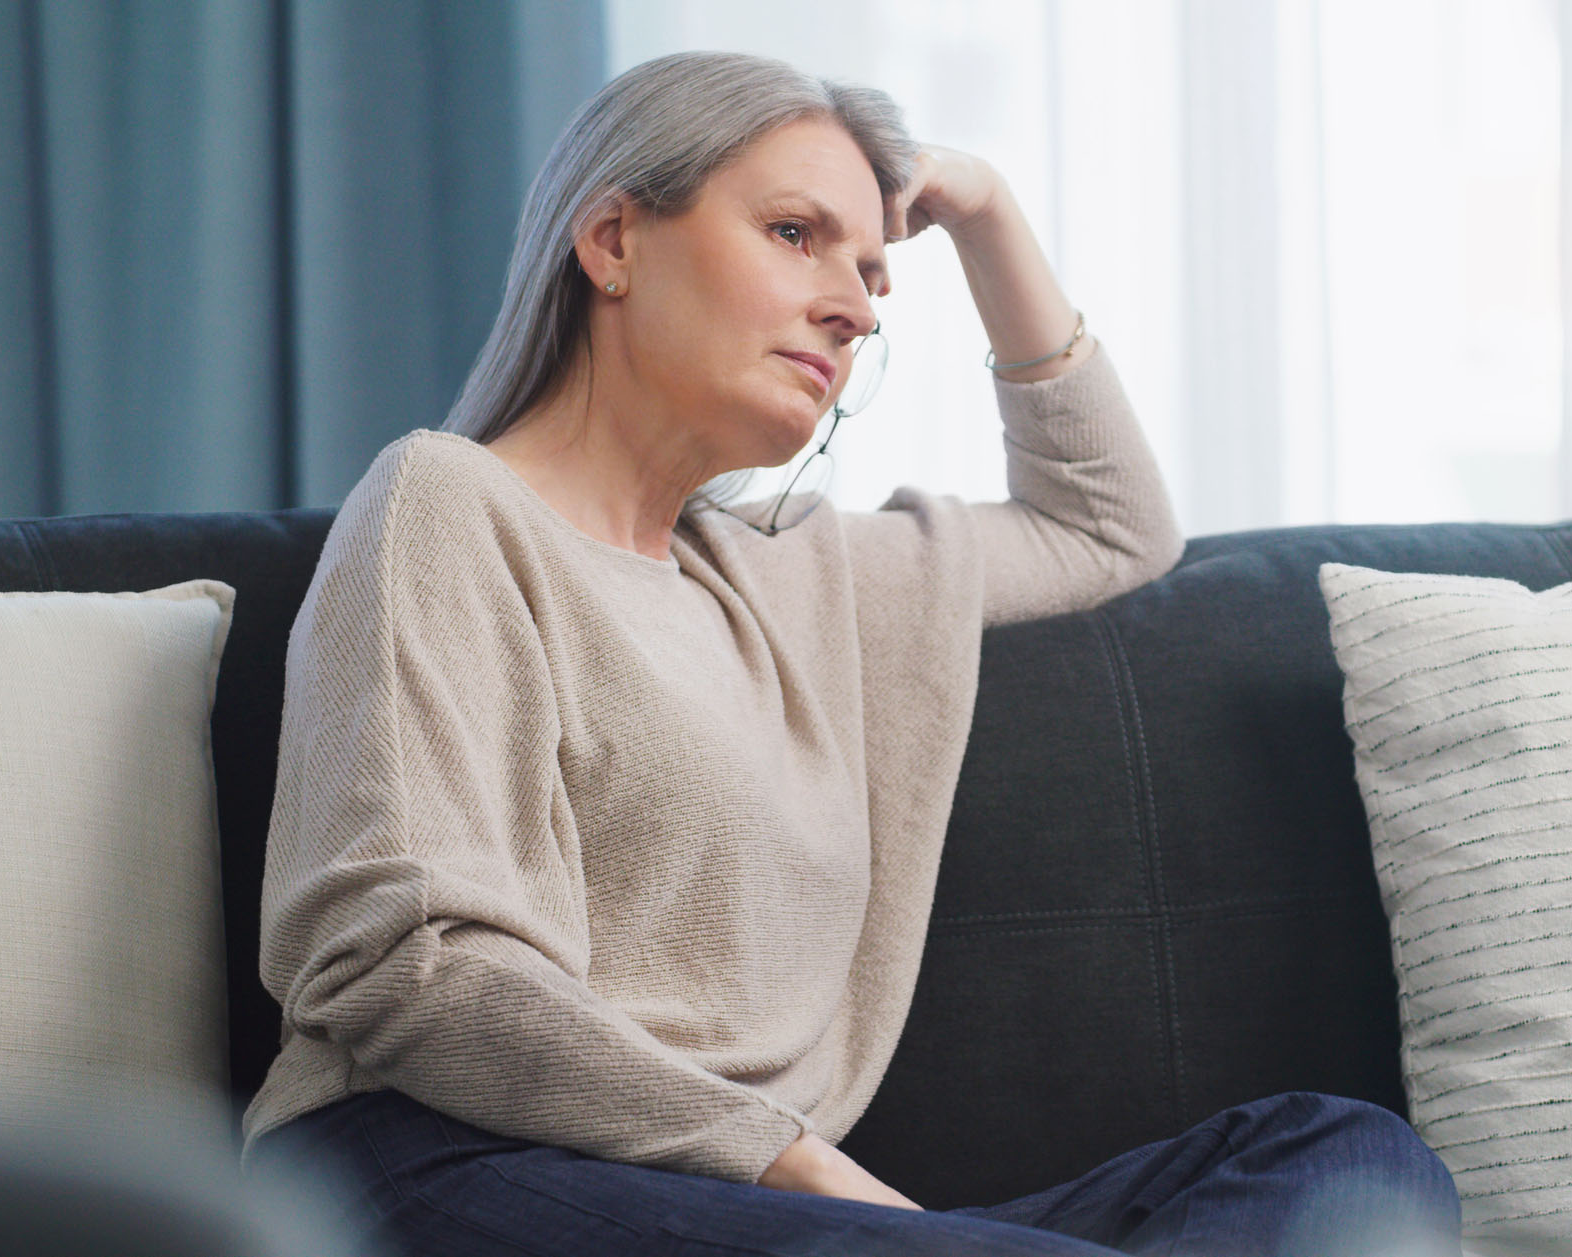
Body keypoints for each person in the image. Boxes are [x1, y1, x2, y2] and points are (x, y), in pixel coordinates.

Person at [241, 50, 1461, 1257]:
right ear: (611, 240)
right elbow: (405, 963)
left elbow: (1110, 527)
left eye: (873, 271)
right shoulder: (445, 504)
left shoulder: (801, 573)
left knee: (1347, 1160)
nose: (860, 304)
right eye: (793, 232)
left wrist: (982, 210)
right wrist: (804, 1171)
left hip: (763, 1209)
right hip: (444, 1162)